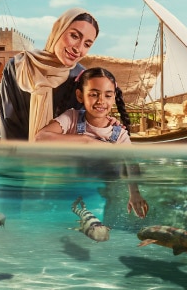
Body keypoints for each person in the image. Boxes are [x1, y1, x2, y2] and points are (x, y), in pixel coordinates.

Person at [35, 67, 149, 218]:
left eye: (108, 95)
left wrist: (134, 194)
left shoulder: (120, 135)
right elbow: (40, 138)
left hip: (95, 199)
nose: (101, 101)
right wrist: (86, 141)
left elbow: (131, 164)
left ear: (114, 98)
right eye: (94, 94)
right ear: (80, 96)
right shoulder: (71, 118)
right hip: (61, 195)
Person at [0, 7, 99, 141]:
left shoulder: (82, 78)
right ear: (58, 30)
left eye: (87, 44)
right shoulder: (19, 66)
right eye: (74, 36)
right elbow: (9, 124)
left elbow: (82, 128)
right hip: (18, 157)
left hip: (60, 158)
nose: (78, 49)